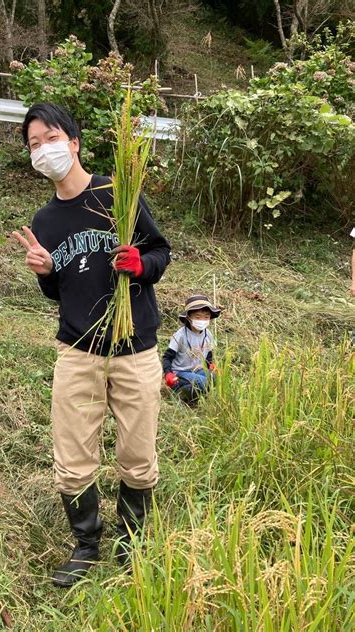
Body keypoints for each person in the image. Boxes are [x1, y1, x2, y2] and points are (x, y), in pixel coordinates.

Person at [12, 103, 171, 588]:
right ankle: (86, 544)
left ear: (74, 142)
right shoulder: (45, 219)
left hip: (133, 345)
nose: (44, 150)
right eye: (34, 144)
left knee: (138, 451)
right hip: (77, 349)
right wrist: (46, 273)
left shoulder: (116, 193)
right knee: (73, 452)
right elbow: (62, 291)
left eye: (50, 138)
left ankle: (132, 541)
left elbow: (159, 251)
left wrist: (139, 266)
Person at [163, 294, 220, 401]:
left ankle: (190, 391)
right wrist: (168, 373)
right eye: (198, 317)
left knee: (216, 378)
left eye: (206, 317)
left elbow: (209, 354)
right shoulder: (180, 335)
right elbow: (167, 357)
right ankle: (179, 388)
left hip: (198, 370)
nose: (202, 320)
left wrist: (210, 365)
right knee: (204, 382)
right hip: (181, 371)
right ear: (188, 317)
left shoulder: (208, 335)